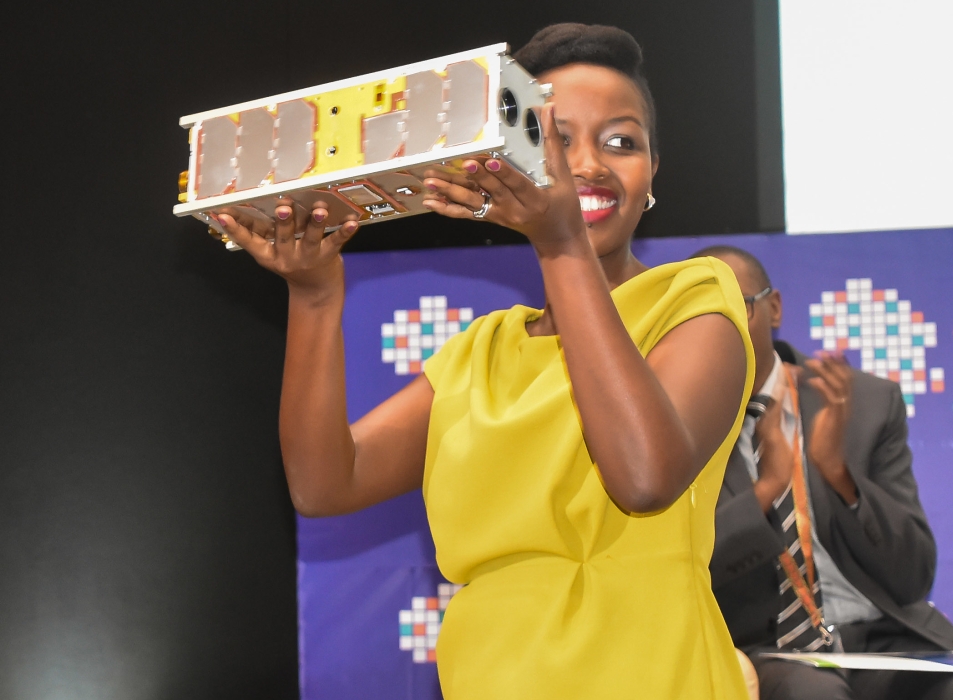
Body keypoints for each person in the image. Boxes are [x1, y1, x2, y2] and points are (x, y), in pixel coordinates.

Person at [215, 24, 754, 700]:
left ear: (652, 175)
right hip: (490, 675)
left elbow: (644, 477)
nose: (586, 164)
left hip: (652, 671)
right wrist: (316, 297)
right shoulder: (481, 351)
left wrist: (561, 247)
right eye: (554, 138)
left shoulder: (695, 297)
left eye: (622, 141)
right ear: (506, 157)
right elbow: (324, 485)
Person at [695, 246, 953, 700]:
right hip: (764, 649)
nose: (722, 327)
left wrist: (838, 474)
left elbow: (913, 575)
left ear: (775, 306)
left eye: (738, 306)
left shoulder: (863, 404)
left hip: (881, 638)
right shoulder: (679, 420)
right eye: (703, 315)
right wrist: (765, 491)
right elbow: (688, 568)